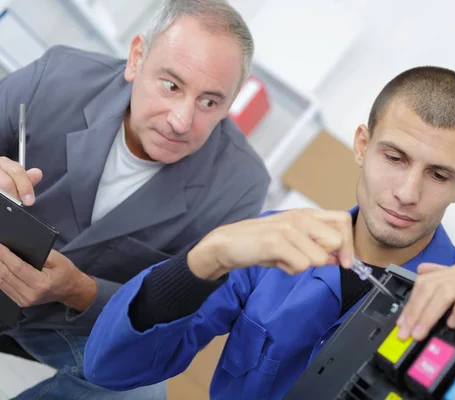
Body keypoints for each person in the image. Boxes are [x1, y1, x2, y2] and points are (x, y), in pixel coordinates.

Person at [83, 66, 455, 400]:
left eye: (438, 175)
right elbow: (111, 367)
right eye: (395, 157)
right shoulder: (267, 250)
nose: (408, 193)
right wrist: (206, 256)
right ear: (362, 145)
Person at [0, 0, 269, 399]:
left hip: (67, 322)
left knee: (138, 392)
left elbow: (183, 317)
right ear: (137, 57)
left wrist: (79, 290)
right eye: (171, 85)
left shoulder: (240, 188)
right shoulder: (59, 76)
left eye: (209, 102)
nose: (181, 120)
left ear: (229, 105)